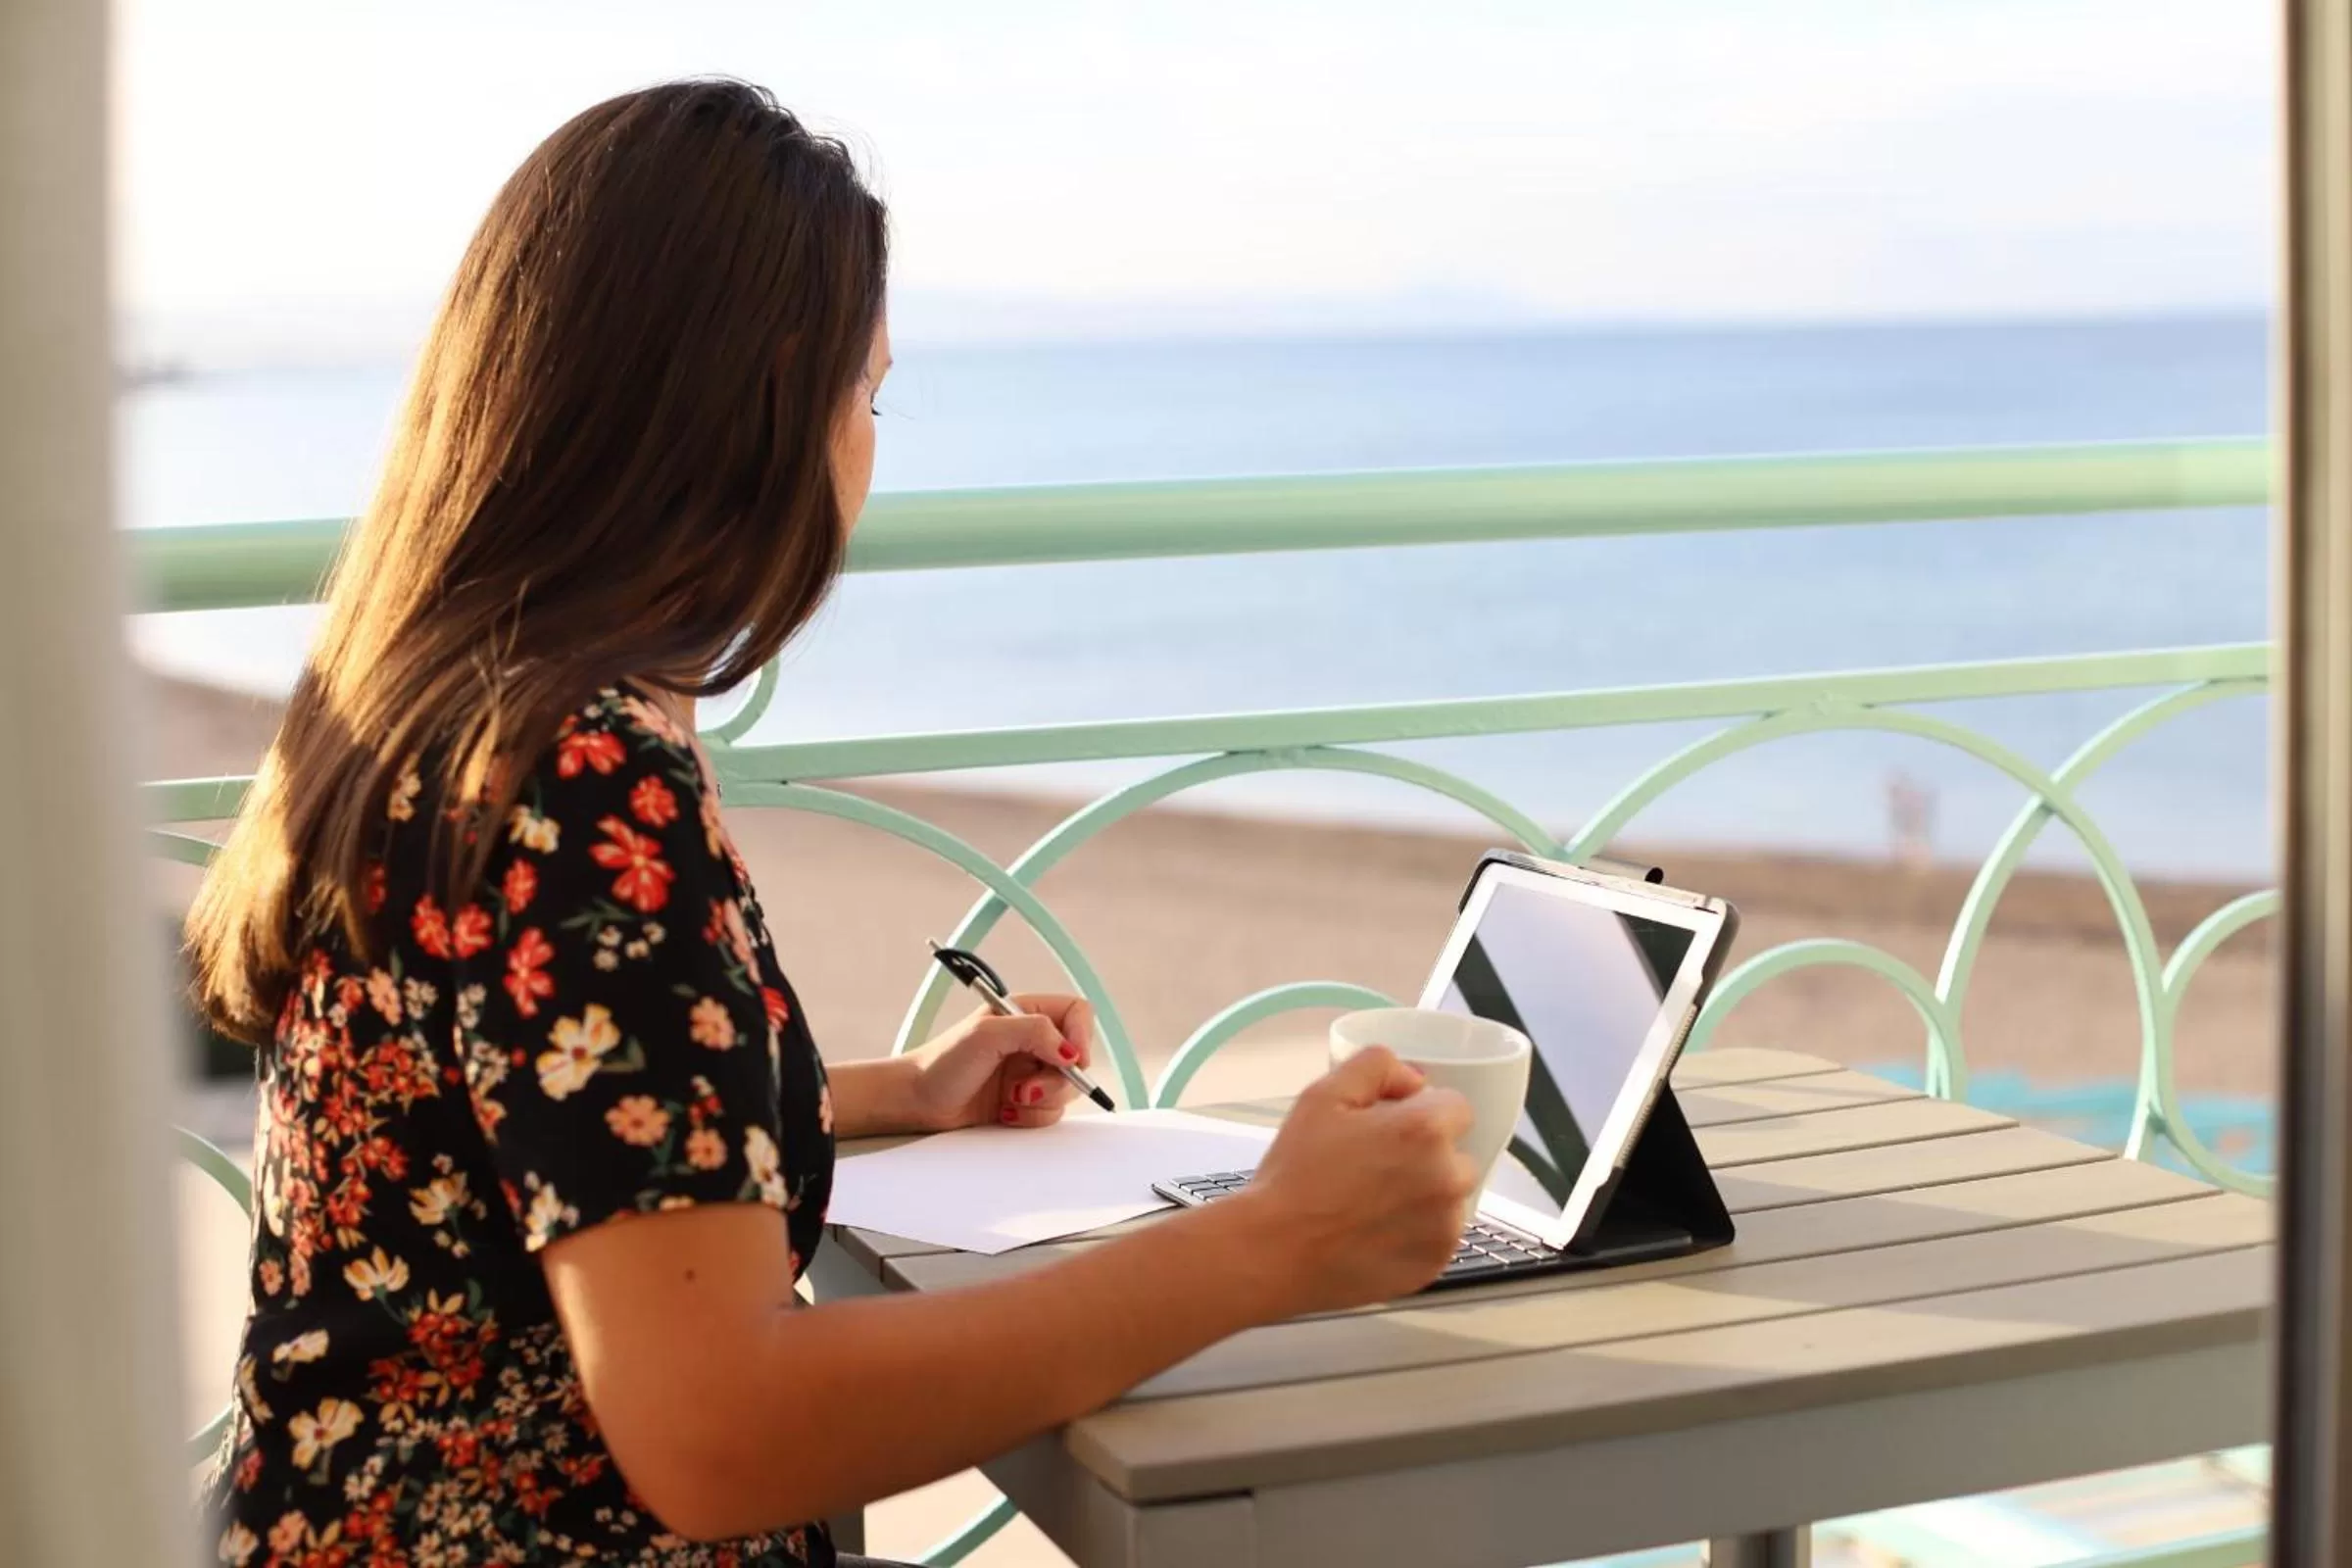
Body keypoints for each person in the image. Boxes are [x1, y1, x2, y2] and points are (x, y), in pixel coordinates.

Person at [186, 78, 1477, 1568]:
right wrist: (1272, 1242)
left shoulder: (449, 695)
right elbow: (720, 1431)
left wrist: (894, 1094)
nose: (870, 445)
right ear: (764, 403)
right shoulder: (578, 780)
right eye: (869, 395)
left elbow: (554, 1118)